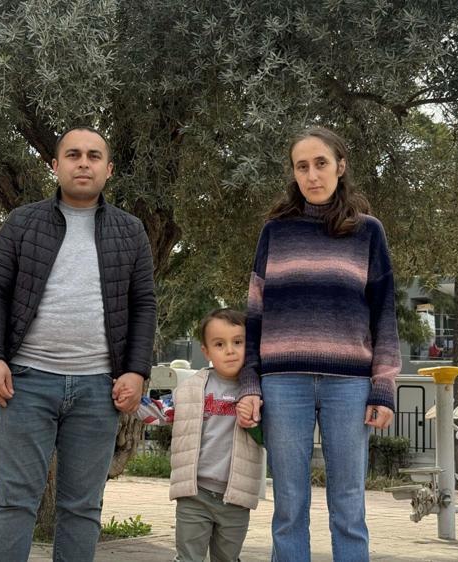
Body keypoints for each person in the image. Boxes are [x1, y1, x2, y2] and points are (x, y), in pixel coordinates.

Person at [0, 126, 156, 562]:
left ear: (108, 170)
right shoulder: (22, 222)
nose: (83, 163)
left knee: (82, 508)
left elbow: (143, 305)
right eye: (73, 155)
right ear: (55, 166)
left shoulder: (130, 231)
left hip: (98, 388)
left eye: (94, 156)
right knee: (14, 502)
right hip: (25, 383)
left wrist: (136, 371)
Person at [236, 126, 401, 562]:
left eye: (321, 163)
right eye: (302, 166)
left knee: (349, 505)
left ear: (340, 166)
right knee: (289, 506)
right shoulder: (275, 231)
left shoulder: (368, 233)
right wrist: (250, 383)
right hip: (282, 382)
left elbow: (384, 314)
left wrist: (383, 386)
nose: (312, 175)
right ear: (293, 173)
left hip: (349, 385)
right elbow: (255, 314)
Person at [136, 308, 264, 562]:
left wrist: (253, 423)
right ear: (206, 351)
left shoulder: (257, 390)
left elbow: (269, 437)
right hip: (195, 493)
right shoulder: (193, 388)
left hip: (236, 497)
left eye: (238, 342)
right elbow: (161, 411)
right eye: (220, 344)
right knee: (188, 557)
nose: (230, 350)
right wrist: (130, 401)